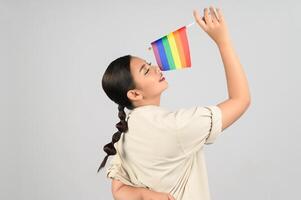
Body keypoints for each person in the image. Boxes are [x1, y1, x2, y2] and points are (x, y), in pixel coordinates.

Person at [98, 5, 251, 200]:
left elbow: (119, 191)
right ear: (134, 94)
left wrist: (148, 196)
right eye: (146, 70)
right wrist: (223, 42)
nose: (155, 68)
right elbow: (241, 99)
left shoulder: (126, 133)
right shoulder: (175, 126)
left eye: (149, 64)